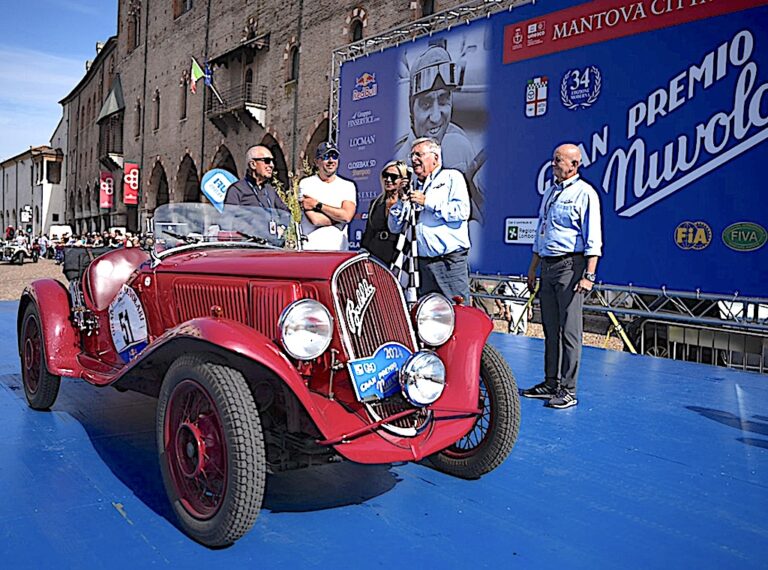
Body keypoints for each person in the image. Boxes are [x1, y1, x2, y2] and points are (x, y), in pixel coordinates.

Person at [522, 143, 603, 410]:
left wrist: (589, 275)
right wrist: (533, 267)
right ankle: (550, 382)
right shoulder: (550, 192)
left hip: (571, 266)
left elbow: (593, 237)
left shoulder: (585, 193)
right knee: (550, 328)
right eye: (554, 159)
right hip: (547, 265)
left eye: (558, 160)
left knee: (570, 331)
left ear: (574, 165)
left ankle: (568, 389)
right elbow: (541, 231)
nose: (554, 163)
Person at [394, 41, 485, 222]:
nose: (436, 117)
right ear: (412, 110)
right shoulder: (399, 162)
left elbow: (472, 218)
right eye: (426, 104)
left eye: (443, 101)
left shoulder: (459, 145)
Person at [388, 137, 471, 301]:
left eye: (419, 154)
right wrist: (401, 200)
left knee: (458, 313)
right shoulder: (413, 186)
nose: (413, 159)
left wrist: (427, 202)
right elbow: (394, 227)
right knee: (427, 315)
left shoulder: (451, 177)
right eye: (412, 155)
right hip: (421, 264)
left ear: (435, 157)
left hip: (448, 262)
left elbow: (462, 212)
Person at [299, 142, 357, 251]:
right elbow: (315, 219)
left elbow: (347, 216)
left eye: (334, 156)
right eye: (326, 157)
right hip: (311, 250)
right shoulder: (306, 184)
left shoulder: (348, 186)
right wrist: (338, 218)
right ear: (317, 162)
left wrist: (317, 205)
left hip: (339, 251)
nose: (331, 161)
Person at [361, 160, 410, 266]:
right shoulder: (376, 202)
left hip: (399, 255)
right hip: (376, 253)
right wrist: (364, 252)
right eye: (385, 175)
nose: (388, 180)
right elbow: (369, 231)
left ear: (403, 179)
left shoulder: (408, 203)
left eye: (393, 176)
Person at [225, 144, 289, 213]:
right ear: (253, 164)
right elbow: (228, 219)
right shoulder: (237, 190)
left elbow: (285, 213)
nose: (272, 165)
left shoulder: (270, 190)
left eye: (272, 161)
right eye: (267, 161)